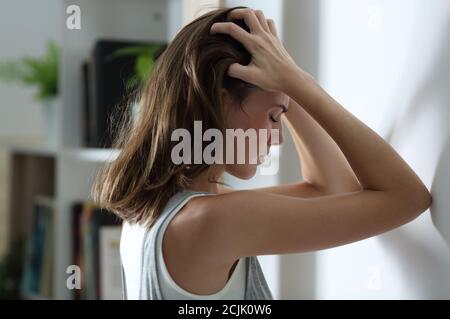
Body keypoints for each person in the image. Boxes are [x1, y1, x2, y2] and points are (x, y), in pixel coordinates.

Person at [92, 6, 432, 300]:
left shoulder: (157, 210)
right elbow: (408, 197)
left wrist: (285, 81)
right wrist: (299, 83)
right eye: (273, 116)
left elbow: (332, 189)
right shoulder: (213, 220)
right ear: (221, 101)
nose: (278, 137)